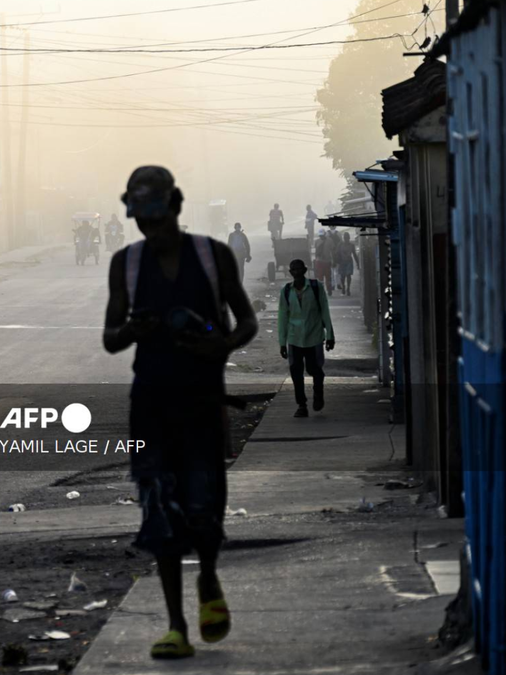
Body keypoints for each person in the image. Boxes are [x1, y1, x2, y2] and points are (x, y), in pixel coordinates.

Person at [103, 166, 257, 660]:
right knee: (159, 513)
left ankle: (208, 576)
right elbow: (110, 339)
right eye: (142, 221)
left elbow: (247, 319)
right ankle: (175, 626)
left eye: (156, 217)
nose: (150, 229)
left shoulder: (213, 257)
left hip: (203, 403)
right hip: (150, 405)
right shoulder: (125, 265)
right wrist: (134, 330)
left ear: (175, 207)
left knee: (203, 507)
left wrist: (222, 346)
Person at [278, 258, 335, 418]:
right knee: (296, 372)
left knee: (314, 369)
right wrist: (282, 343)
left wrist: (330, 335)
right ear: (290, 273)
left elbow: (324, 311)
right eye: (293, 270)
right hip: (294, 338)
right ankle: (301, 405)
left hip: (314, 337)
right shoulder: (286, 291)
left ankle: (318, 395)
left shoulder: (316, 287)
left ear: (304, 270)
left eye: (299, 269)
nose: (296, 273)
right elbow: (283, 317)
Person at [312, 231, 334, 295]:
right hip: (321, 261)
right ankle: (323, 290)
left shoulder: (329, 241)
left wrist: (333, 260)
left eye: (322, 235)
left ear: (324, 235)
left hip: (325, 261)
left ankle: (328, 290)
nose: (321, 236)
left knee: (327, 277)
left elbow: (332, 251)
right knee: (321, 277)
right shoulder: (328, 241)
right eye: (320, 235)